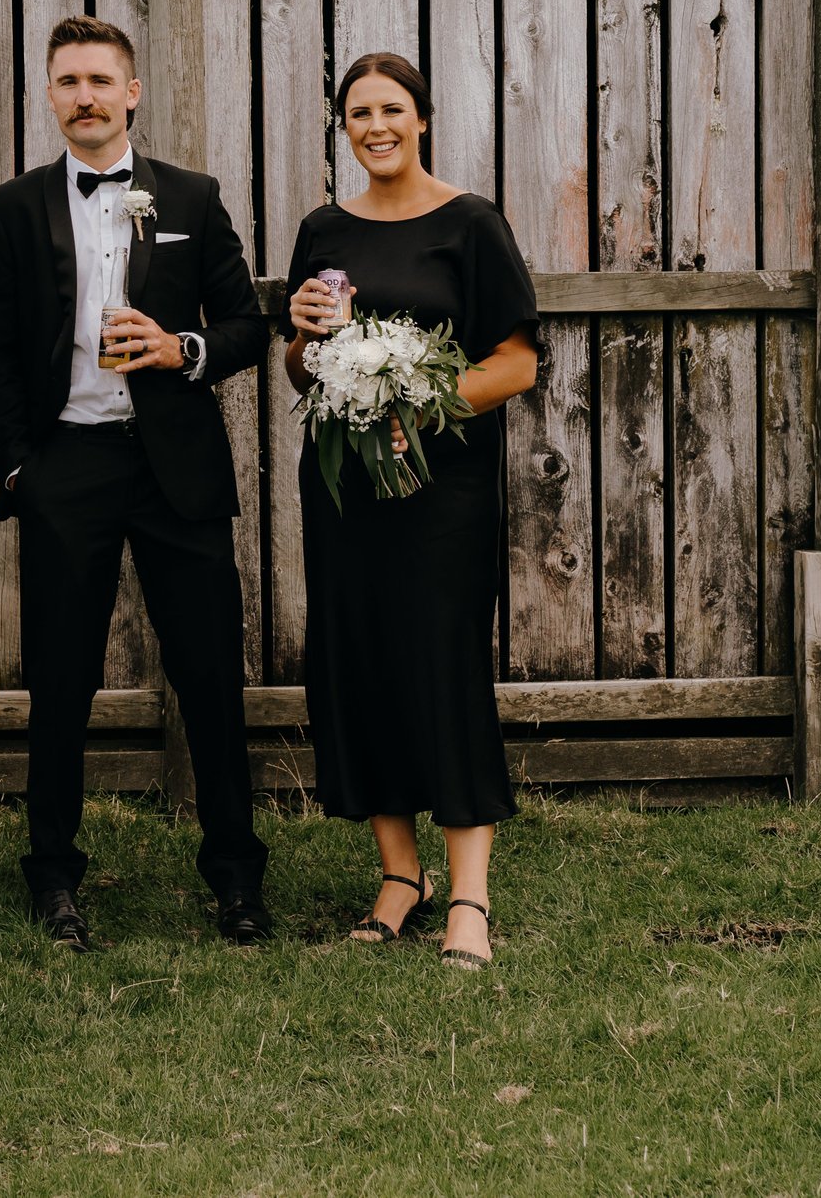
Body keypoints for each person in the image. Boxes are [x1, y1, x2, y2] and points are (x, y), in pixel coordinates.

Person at [0, 14, 271, 952]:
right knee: (60, 682)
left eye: (101, 81)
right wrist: (20, 463)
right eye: (68, 82)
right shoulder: (12, 206)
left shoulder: (191, 192)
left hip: (174, 468)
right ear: (51, 96)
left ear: (132, 92)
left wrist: (179, 347)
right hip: (69, 464)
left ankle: (235, 880)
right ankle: (54, 879)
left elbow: (246, 325)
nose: (85, 97)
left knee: (211, 680)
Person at [283, 51, 538, 969]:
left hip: (444, 492)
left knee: (443, 664)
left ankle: (468, 892)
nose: (376, 125)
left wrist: (419, 407)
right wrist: (307, 342)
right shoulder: (322, 228)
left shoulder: (471, 224)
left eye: (392, 109)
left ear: (422, 118)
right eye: (359, 112)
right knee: (362, 663)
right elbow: (298, 362)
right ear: (342, 126)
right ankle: (400, 876)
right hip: (346, 491)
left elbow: (517, 362)